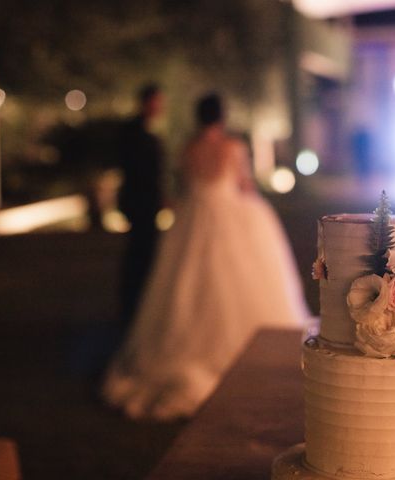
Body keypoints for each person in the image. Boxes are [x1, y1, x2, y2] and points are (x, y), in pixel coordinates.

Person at [102, 93, 308, 420]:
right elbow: (244, 184)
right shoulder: (233, 147)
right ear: (221, 117)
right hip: (227, 215)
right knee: (239, 280)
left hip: (194, 218)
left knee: (186, 285)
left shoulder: (188, 149)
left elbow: (184, 187)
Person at [117, 84, 166, 328]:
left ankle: (136, 304)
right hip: (140, 201)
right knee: (140, 252)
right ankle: (133, 306)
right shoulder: (134, 133)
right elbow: (138, 171)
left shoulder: (145, 132)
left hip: (146, 201)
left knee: (143, 251)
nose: (160, 107)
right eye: (157, 102)